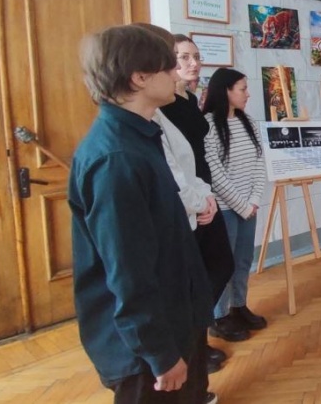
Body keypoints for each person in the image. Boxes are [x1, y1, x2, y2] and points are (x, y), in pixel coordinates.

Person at [69, 25, 213, 403]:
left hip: (173, 316)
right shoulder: (116, 157)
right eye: (168, 67)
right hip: (144, 351)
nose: (176, 74)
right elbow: (127, 271)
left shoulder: (141, 136)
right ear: (140, 78)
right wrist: (160, 354)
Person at [137, 27, 240, 374]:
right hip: (186, 200)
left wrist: (205, 195)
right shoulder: (163, 107)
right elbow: (171, 162)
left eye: (196, 57)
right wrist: (194, 200)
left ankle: (196, 334)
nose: (193, 63)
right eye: (183, 57)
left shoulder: (188, 99)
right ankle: (192, 344)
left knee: (219, 265)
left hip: (203, 193)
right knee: (193, 276)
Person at [203, 68, 269, 342]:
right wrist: (242, 205)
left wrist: (253, 201)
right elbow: (215, 173)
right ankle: (218, 317)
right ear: (226, 91)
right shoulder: (208, 125)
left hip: (248, 208)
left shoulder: (248, 121)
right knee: (223, 264)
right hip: (226, 209)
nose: (247, 94)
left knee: (243, 260)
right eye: (242, 89)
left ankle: (238, 306)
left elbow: (259, 163)